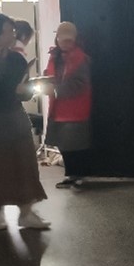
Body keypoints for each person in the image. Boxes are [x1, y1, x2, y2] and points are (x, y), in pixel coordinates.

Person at [0, 13, 50, 230]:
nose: (14, 35)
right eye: (9, 31)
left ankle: (26, 213)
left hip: (14, 115)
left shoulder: (17, 59)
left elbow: (24, 92)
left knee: (25, 161)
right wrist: (12, 89)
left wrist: (25, 90)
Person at [43, 21, 92, 189]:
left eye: (69, 40)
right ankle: (71, 174)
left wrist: (55, 90)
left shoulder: (80, 59)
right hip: (58, 109)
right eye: (62, 40)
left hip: (75, 109)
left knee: (76, 145)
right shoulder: (54, 57)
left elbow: (79, 84)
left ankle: (79, 175)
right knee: (64, 145)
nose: (65, 43)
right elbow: (50, 75)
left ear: (75, 40)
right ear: (57, 39)